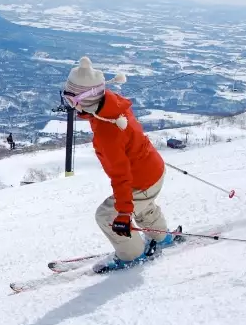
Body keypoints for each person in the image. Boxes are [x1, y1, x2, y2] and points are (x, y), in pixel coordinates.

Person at [62, 57, 180, 273]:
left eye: (71, 100)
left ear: (85, 99)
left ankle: (133, 255)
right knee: (144, 206)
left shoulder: (108, 132)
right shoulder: (111, 104)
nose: (70, 105)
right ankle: (162, 238)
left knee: (107, 215)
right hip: (153, 170)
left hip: (140, 180)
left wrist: (123, 215)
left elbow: (121, 177)